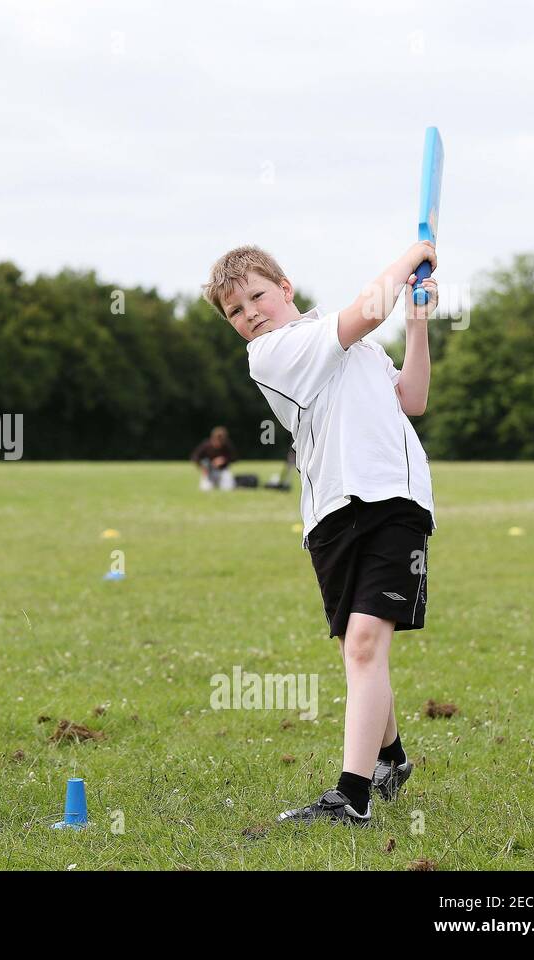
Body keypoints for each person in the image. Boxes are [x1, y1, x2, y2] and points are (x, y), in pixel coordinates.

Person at [205, 241, 438, 827]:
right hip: (330, 513)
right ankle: (391, 759)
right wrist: (413, 256)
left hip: (392, 497)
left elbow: (412, 398)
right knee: (354, 648)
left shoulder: (351, 342)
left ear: (285, 287)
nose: (250, 313)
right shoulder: (275, 352)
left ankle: (351, 797)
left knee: (363, 645)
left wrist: (416, 325)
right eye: (235, 311)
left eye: (257, 295)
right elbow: (367, 307)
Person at [190, 426, 238, 492]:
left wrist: (224, 460)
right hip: (209, 472)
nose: (219, 443)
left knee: (228, 489)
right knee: (205, 489)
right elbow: (195, 457)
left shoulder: (227, 445)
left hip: (223, 471)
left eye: (221, 441)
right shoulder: (206, 445)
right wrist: (202, 467)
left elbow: (234, 458)